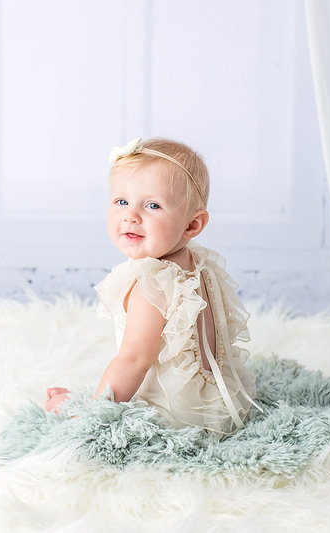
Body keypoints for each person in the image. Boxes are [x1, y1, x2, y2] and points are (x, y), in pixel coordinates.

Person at [45, 137, 262, 436]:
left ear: (191, 225)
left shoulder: (153, 282)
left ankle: (84, 411)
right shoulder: (196, 262)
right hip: (216, 403)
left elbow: (133, 360)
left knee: (69, 404)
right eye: (121, 201)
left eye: (152, 205)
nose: (131, 215)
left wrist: (95, 411)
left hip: (175, 417)